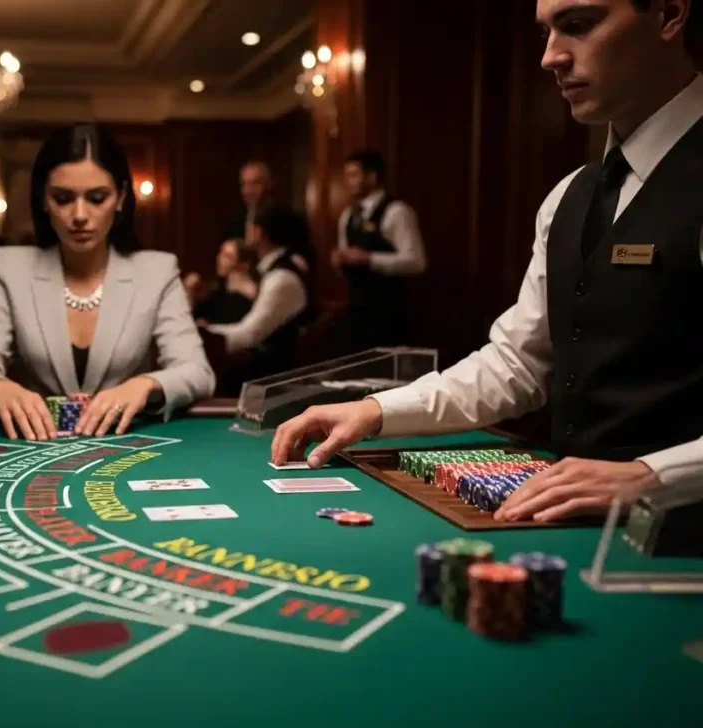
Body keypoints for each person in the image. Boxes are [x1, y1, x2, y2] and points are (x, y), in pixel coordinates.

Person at [272, 0, 703, 525]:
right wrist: (375, 409)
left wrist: (654, 476)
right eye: (545, 33)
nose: (550, 57)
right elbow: (518, 363)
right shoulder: (569, 195)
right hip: (575, 529)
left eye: (579, 25)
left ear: (668, 15)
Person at [0, 124, 215, 440]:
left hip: (127, 445)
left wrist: (145, 385)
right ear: (44, 200)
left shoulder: (157, 271)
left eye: (97, 198)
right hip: (35, 445)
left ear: (121, 197)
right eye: (63, 198)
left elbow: (197, 372)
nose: (79, 214)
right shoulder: (10, 268)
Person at [334, 149, 427, 349]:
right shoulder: (347, 216)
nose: (348, 182)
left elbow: (417, 262)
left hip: (388, 313)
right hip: (356, 311)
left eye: (354, 175)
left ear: (372, 177)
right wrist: (340, 261)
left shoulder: (396, 212)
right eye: (346, 176)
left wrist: (369, 259)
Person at [206, 206, 309, 378]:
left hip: (272, 375)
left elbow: (249, 335)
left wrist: (205, 334)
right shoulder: (271, 271)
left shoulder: (282, 277)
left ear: (257, 232)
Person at [224, 160, 314, 267]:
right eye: (244, 184)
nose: (248, 190)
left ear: (269, 184)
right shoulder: (234, 222)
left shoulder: (291, 221)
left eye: (255, 183)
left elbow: (303, 261)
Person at [184, 239, 258, 325]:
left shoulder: (247, 295)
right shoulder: (216, 289)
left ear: (244, 264)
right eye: (221, 253)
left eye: (228, 257)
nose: (220, 259)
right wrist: (190, 291)